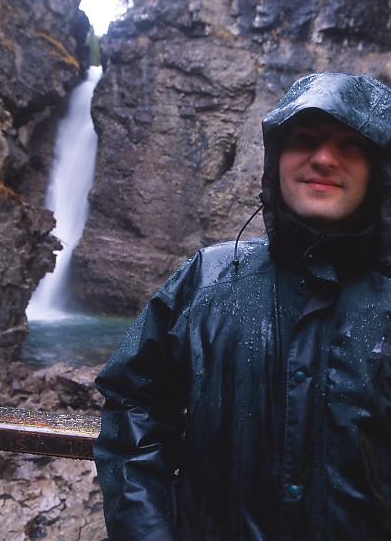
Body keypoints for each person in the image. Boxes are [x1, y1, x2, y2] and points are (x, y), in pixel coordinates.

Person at [94, 72, 391, 541]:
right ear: (276, 160)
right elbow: (135, 406)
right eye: (305, 139)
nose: (325, 158)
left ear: (379, 168)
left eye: (351, 144)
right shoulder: (206, 278)